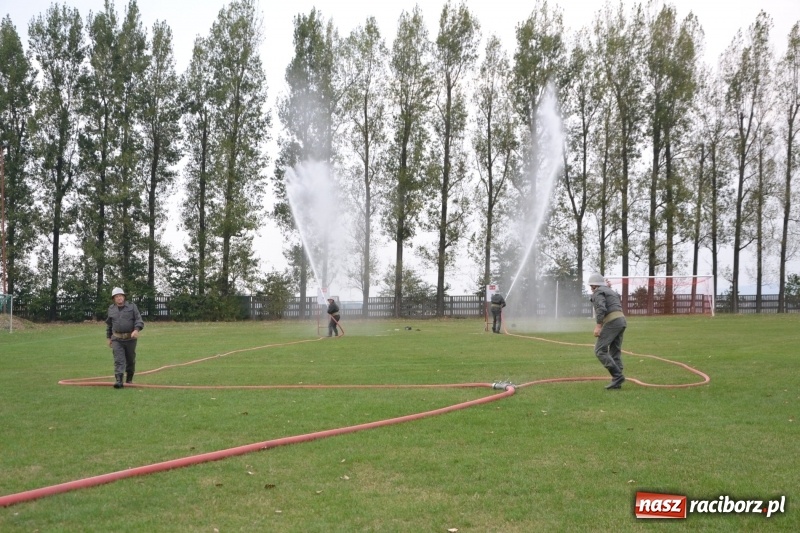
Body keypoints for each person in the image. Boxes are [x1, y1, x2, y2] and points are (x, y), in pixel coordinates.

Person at [588, 273, 627, 389]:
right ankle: (617, 381)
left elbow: (601, 308)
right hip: (622, 321)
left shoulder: (598, 292)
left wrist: (598, 326)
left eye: (591, 286)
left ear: (595, 285)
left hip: (612, 321)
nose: (591, 289)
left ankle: (617, 376)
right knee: (615, 351)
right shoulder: (611, 291)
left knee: (600, 350)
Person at [106, 287, 144, 389]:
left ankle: (129, 379)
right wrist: (109, 337)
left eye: (120, 296)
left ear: (124, 297)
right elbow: (109, 325)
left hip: (130, 339)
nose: (119, 298)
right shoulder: (111, 309)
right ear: (114, 299)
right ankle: (118, 381)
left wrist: (136, 330)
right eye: (116, 297)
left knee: (130, 360)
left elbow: (139, 320)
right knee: (119, 359)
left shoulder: (132, 307)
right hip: (116, 339)